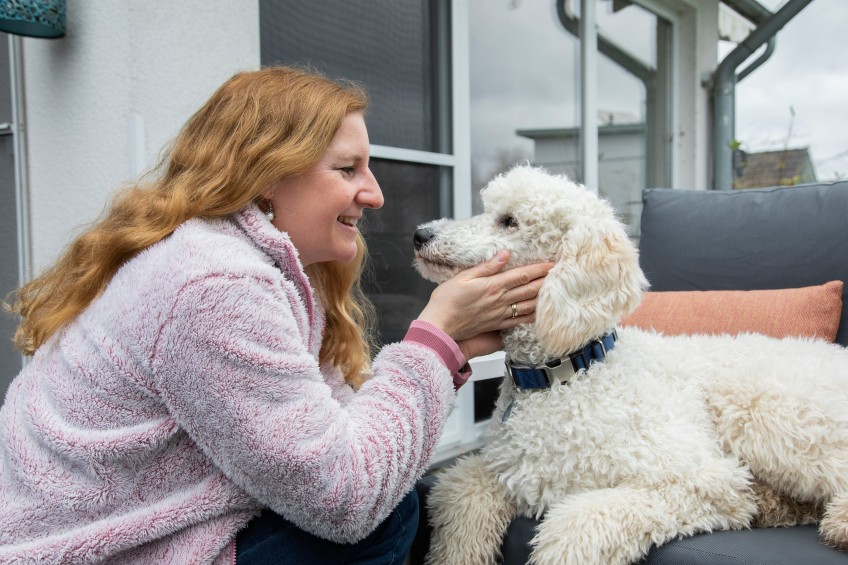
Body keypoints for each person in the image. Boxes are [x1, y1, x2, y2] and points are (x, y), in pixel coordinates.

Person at [0, 66, 552, 564]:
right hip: (92, 551)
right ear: (266, 173)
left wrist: (451, 348)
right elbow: (348, 496)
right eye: (348, 168)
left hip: (117, 533)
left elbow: (342, 440)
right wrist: (434, 343)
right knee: (386, 517)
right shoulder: (215, 284)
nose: (376, 193)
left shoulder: (251, 266)